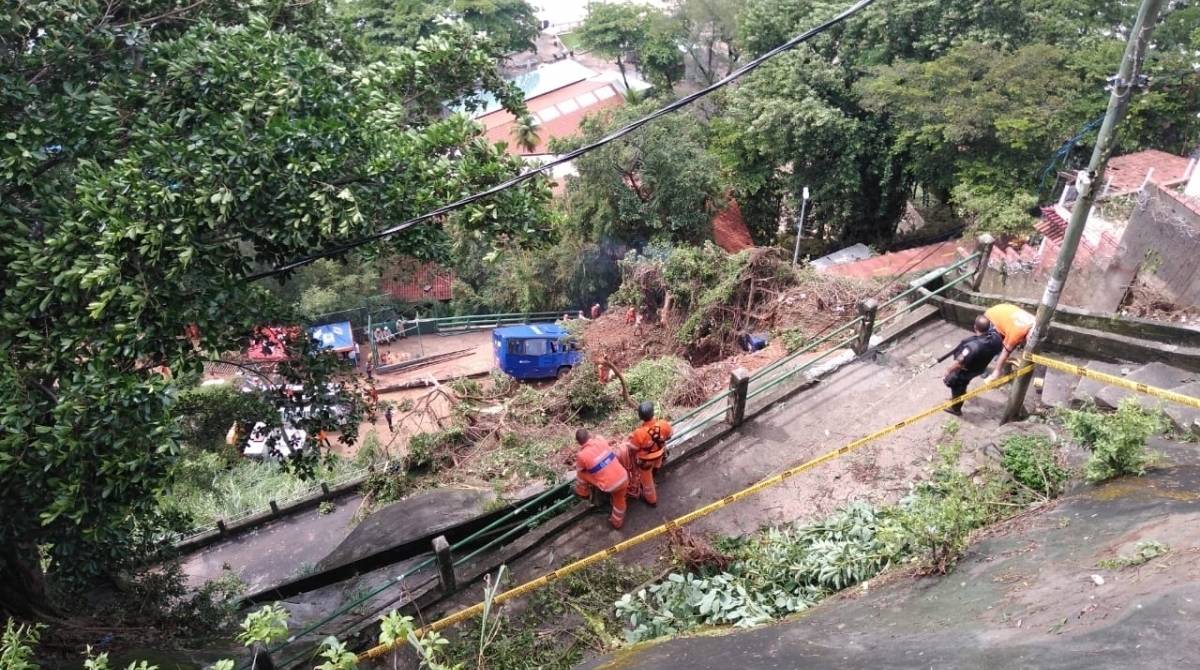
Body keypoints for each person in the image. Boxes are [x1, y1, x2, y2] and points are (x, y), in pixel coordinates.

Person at [943, 315, 1003, 416]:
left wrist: (948, 370)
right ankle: (959, 394)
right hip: (979, 368)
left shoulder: (972, 347)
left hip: (967, 370)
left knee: (957, 385)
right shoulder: (996, 338)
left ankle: (955, 408)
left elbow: (960, 363)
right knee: (965, 382)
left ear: (975, 327)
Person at [573, 428, 629, 529]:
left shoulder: (581, 455)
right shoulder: (600, 440)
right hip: (624, 477)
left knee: (581, 473)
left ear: (579, 443)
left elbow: (580, 469)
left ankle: (582, 493)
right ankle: (617, 522)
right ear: (589, 435)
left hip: (609, 486)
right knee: (619, 500)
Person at [628, 401, 672, 506]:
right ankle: (655, 474)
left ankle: (652, 501)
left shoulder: (639, 433)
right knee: (656, 466)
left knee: (647, 484)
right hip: (660, 454)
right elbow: (669, 435)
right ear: (653, 413)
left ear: (640, 417)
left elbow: (633, 448)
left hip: (646, 462)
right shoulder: (663, 424)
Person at [983, 303, 1036, 381]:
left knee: (1003, 346)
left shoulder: (1037, 324)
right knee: (988, 348)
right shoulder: (1017, 334)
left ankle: (998, 355)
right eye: (1030, 340)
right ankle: (979, 368)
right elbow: (1006, 351)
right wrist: (997, 372)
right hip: (991, 318)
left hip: (1004, 312)